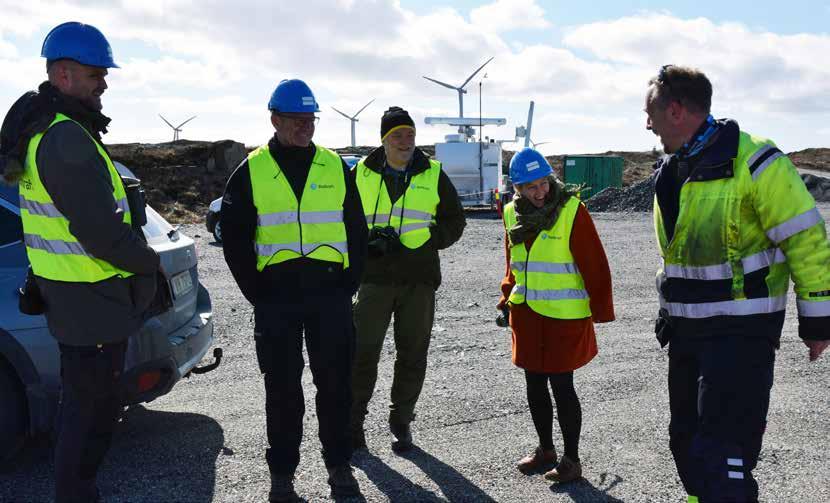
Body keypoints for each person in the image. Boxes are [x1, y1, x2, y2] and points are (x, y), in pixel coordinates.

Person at [645, 65, 830, 503]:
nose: (646, 122)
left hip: (742, 333)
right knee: (685, 444)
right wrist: (667, 307)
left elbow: (807, 241)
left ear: (675, 110)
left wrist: (819, 323)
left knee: (723, 456)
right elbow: (678, 256)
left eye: (649, 110)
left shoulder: (756, 161)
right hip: (688, 334)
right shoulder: (671, 172)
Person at [0, 22, 161, 503]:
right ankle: (75, 494)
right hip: (87, 299)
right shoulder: (65, 138)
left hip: (77, 296)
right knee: (88, 409)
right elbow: (100, 231)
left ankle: (79, 489)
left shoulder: (54, 129)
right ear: (65, 74)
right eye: (96, 73)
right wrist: (147, 261)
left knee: (91, 404)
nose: (104, 83)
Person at [220, 79, 368, 502]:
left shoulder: (334, 165)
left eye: (311, 120)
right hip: (277, 299)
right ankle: (283, 474)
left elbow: (356, 228)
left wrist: (348, 283)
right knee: (283, 389)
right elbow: (234, 239)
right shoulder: (252, 170)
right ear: (275, 120)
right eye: (298, 120)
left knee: (336, 384)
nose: (306, 128)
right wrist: (258, 293)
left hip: (329, 295)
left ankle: (339, 465)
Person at [349, 106, 466, 453]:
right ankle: (354, 422)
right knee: (362, 354)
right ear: (384, 140)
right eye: (398, 135)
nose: (406, 141)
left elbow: (455, 221)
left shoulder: (433, 173)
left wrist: (431, 239)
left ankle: (401, 420)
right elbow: (343, 221)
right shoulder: (360, 174)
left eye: (410, 135)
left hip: (419, 280)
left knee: (413, 354)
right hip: (372, 279)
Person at [497, 148, 614, 483]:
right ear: (516, 189)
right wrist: (506, 299)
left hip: (564, 318)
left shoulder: (572, 211)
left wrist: (601, 311)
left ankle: (571, 460)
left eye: (543, 183)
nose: (540, 192)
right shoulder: (509, 214)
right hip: (528, 316)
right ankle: (545, 450)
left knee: (563, 388)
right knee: (534, 384)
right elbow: (513, 265)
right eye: (530, 186)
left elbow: (595, 265)